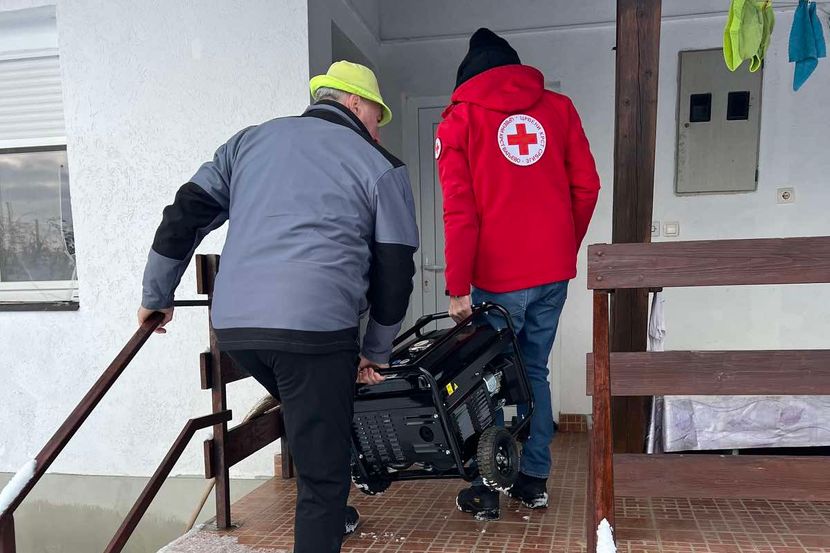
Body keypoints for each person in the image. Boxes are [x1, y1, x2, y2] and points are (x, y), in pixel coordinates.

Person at [138, 61, 418, 553]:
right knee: (323, 475)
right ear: (355, 103)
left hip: (239, 332)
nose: (378, 131)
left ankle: (328, 502)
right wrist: (375, 350)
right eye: (378, 117)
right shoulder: (381, 165)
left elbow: (184, 214)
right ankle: (325, 506)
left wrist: (156, 296)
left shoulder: (247, 143)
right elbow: (395, 269)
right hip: (316, 333)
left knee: (315, 417)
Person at [435, 28, 600, 520]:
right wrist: (561, 249)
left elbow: (460, 212)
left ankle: (486, 488)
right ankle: (532, 480)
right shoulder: (559, 108)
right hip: (552, 275)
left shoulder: (459, 120)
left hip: (495, 280)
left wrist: (458, 287)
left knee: (482, 379)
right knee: (534, 371)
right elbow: (587, 187)